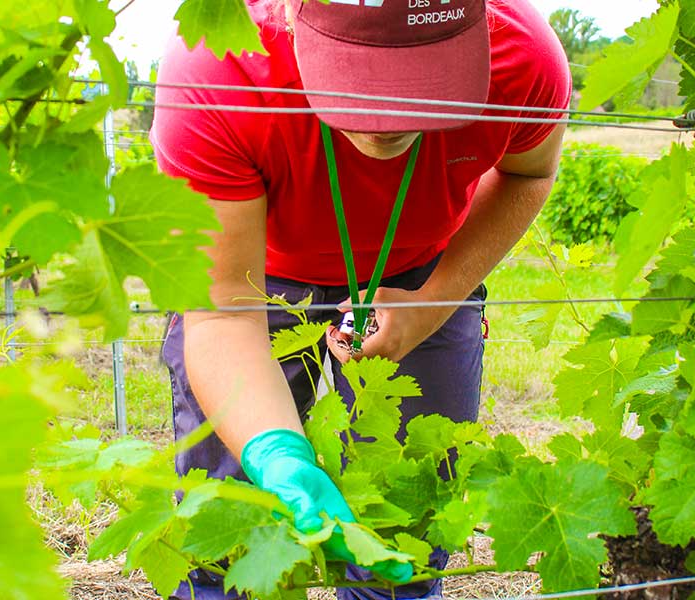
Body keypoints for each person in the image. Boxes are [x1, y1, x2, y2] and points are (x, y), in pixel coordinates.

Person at [152, 0, 571, 598]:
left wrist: (433, 302)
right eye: (352, 77)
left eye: (420, 82)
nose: (382, 120)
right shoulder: (218, 67)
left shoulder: (521, 57)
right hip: (255, 276)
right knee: (230, 534)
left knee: (406, 530)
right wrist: (275, 452)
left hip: (423, 266)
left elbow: (530, 172)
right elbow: (224, 311)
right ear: (295, 21)